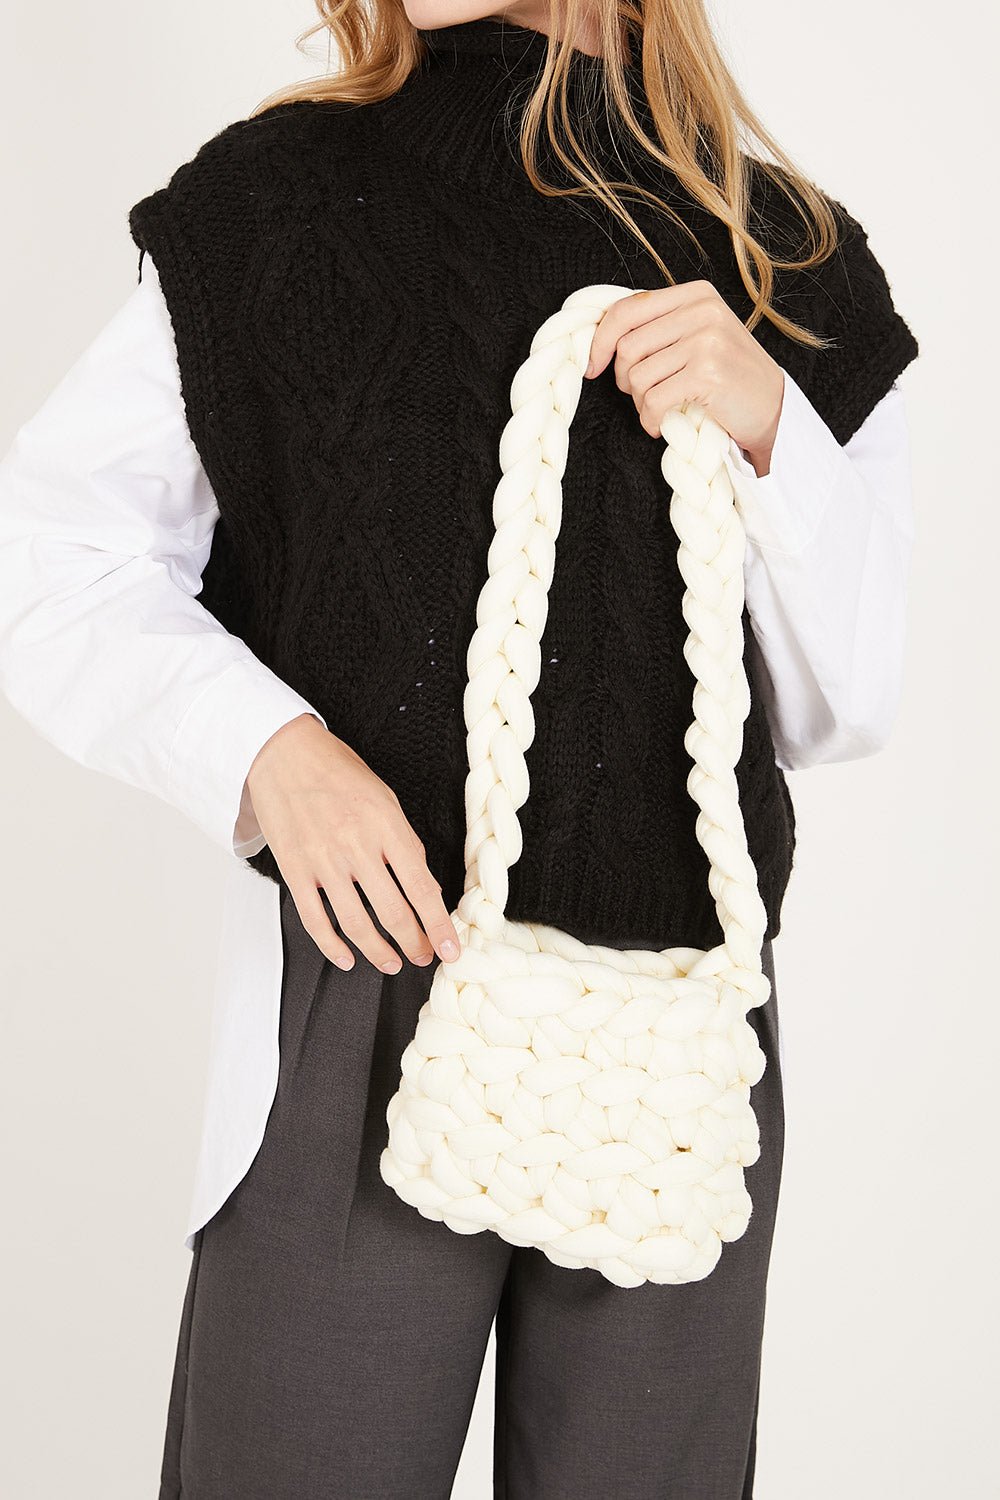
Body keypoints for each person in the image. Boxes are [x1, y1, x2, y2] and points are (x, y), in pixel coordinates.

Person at [0, 3, 919, 1495]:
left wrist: (771, 431)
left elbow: (843, 703)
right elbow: (55, 558)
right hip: (369, 972)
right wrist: (269, 751)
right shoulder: (274, 204)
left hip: (681, 1026)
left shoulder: (784, 258)